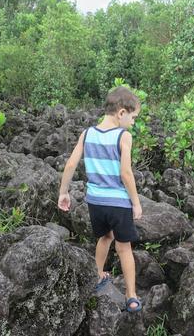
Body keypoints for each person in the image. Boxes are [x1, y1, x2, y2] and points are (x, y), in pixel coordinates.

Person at [58, 86, 143, 312]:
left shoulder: (87, 134)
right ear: (121, 113)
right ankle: (132, 296)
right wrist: (135, 202)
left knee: (105, 237)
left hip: (95, 202)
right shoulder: (124, 136)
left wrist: (63, 192)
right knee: (124, 248)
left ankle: (97, 275)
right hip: (117, 202)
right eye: (133, 117)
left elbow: (70, 164)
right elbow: (126, 173)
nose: (133, 123)